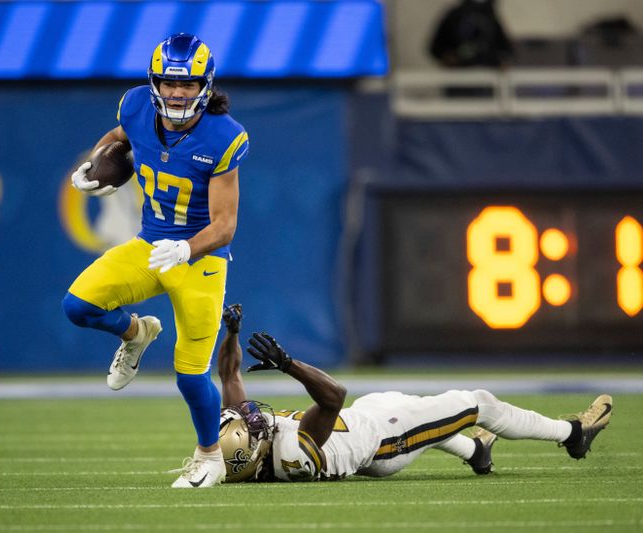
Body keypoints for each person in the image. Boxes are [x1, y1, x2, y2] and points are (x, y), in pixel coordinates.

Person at [62, 33, 249, 488]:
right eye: (169, 82)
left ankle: (210, 457)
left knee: (190, 376)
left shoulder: (224, 136)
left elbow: (225, 225)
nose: (177, 92)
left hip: (200, 259)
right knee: (79, 305)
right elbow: (119, 136)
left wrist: (186, 248)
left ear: (205, 85)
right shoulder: (136, 106)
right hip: (149, 244)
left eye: (187, 84)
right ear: (155, 82)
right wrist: (95, 162)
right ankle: (136, 332)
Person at [215, 304, 613, 482]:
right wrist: (288, 364)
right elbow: (333, 396)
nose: (254, 419)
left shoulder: (249, 453)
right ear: (257, 451)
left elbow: (230, 375)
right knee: (478, 403)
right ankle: (574, 435)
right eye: (253, 428)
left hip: (364, 424)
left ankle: (477, 452)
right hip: (388, 442)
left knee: (400, 402)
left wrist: (231, 333)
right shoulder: (291, 452)